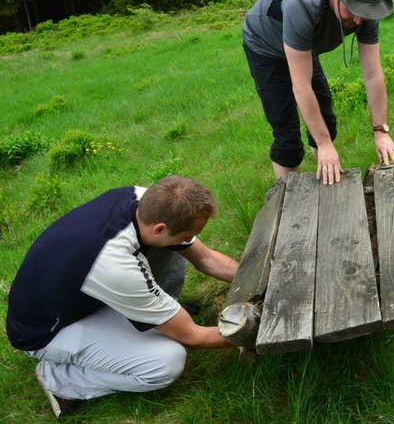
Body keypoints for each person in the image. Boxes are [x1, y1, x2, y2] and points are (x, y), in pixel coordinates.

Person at [6, 175, 240, 417]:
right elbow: (192, 337)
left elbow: (206, 259)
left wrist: (265, 282)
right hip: (47, 331)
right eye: (185, 234)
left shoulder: (144, 200)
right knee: (167, 362)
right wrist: (252, 334)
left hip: (81, 293)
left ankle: (157, 315)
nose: (189, 239)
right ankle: (60, 378)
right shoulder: (114, 265)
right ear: (160, 228)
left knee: (173, 248)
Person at [241, 0, 394, 186]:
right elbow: (301, 85)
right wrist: (326, 144)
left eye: (364, 12)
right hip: (265, 45)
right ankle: (288, 200)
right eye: (353, 9)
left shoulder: (365, 15)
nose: (359, 20)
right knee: (287, 135)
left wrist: (381, 130)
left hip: (303, 46)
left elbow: (373, 74)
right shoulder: (302, 4)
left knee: (325, 121)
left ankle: (327, 179)